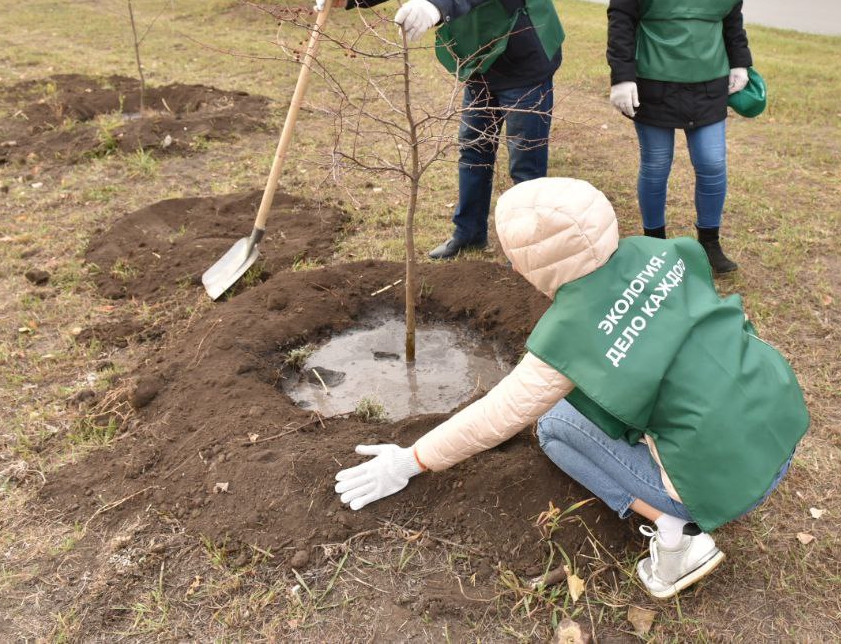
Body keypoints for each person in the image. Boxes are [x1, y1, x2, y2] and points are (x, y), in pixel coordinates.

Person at [334, 177, 809, 600]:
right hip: (780, 434)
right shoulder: (667, 252)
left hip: (721, 486)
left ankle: (677, 534)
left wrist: (411, 459)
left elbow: (496, 415)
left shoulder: (571, 336)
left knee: (555, 424)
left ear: (527, 263)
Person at [316, 0, 565, 259]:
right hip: (479, 58)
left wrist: (436, 5)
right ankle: (468, 234)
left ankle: (531, 249)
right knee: (474, 147)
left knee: (525, 161)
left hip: (523, 58)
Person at [606, 0, 753, 274]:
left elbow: (732, 15)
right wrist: (622, 76)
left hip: (709, 77)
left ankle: (709, 243)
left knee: (711, 162)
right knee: (656, 163)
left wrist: (740, 62)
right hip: (654, 76)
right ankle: (655, 243)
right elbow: (621, 15)